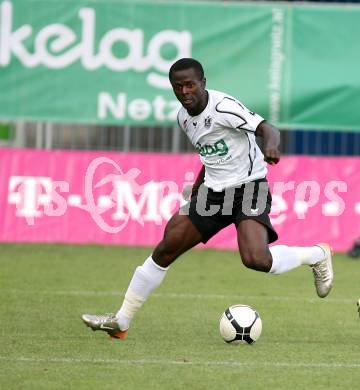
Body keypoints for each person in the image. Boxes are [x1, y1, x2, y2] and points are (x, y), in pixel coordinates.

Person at [82, 58, 334, 339]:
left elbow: (268, 128)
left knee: (256, 259)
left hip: (249, 188)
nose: (185, 91)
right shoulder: (183, 117)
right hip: (213, 194)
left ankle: (316, 254)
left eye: (190, 85)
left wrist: (271, 146)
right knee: (166, 247)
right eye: (178, 87)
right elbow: (209, 155)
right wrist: (197, 189)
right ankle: (121, 321)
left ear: (203, 83)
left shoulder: (224, 107)